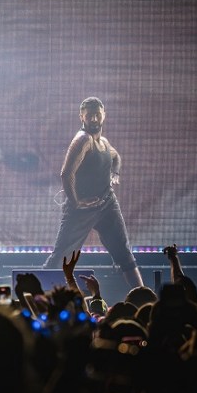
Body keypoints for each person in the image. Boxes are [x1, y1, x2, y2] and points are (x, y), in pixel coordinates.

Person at [42, 98, 143, 287]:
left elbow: (116, 157)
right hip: (82, 211)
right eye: (89, 115)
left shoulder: (103, 142)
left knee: (125, 255)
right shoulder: (83, 140)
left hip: (107, 204)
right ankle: (36, 298)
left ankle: (144, 298)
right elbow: (66, 173)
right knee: (60, 259)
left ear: (104, 115)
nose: (94, 119)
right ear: (82, 117)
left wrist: (115, 174)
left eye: (97, 115)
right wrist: (76, 203)